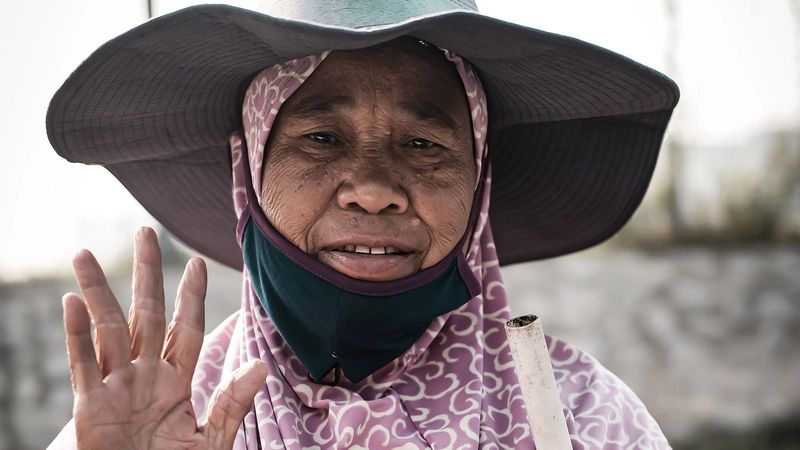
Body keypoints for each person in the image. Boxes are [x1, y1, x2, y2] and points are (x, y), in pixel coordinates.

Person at [46, 1, 679, 448]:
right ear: (250, 175)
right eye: (321, 137)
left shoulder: (584, 417)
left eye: (424, 145)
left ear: (479, 181)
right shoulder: (143, 424)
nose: (374, 191)